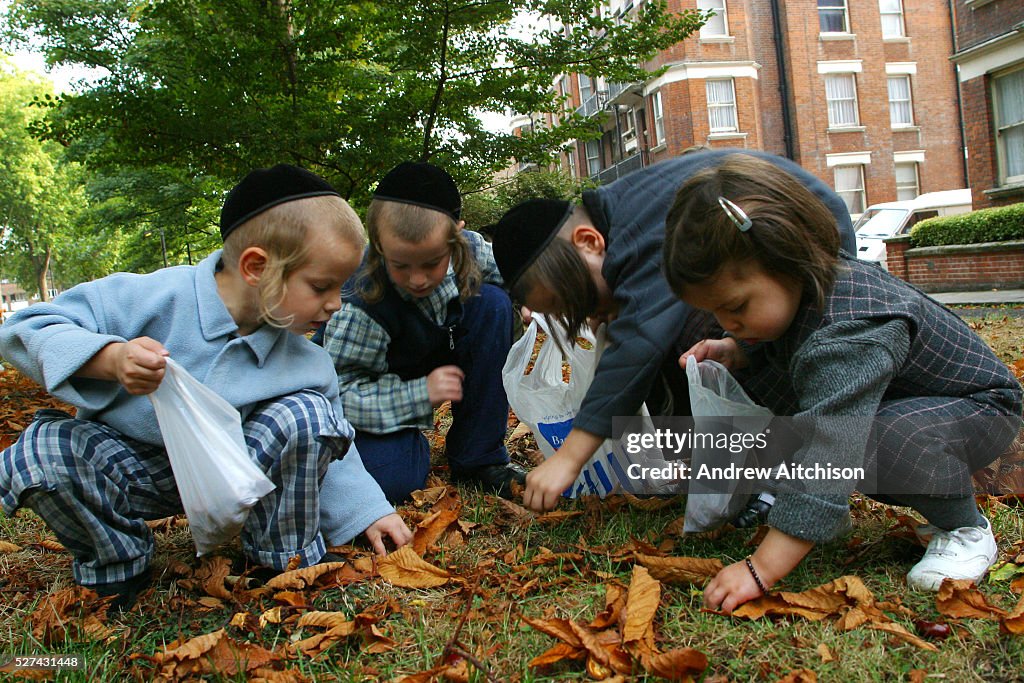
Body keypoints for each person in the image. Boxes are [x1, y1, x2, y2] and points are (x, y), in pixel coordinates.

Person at [0, 164, 411, 610]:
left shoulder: (307, 359)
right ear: (256, 266)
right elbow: (26, 327)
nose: (335, 304)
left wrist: (368, 509)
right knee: (44, 450)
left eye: (340, 287)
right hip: (134, 468)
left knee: (308, 415)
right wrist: (110, 359)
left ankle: (282, 555)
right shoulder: (151, 296)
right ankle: (115, 562)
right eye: (320, 286)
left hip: (241, 477)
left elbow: (335, 450)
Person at [661, 154, 1023, 611]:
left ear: (787, 258)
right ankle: (926, 493)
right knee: (860, 432)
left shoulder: (850, 327)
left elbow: (829, 447)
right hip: (917, 405)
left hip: (982, 408)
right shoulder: (809, 291)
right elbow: (792, 342)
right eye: (716, 312)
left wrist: (762, 568)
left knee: (872, 439)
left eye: (736, 306)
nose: (725, 322)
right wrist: (740, 347)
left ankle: (965, 528)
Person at [489, 148, 857, 513]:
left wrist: (569, 458)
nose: (582, 316)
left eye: (572, 300)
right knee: (676, 344)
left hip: (809, 269)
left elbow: (639, 342)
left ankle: (776, 475)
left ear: (589, 242)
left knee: (678, 339)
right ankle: (726, 471)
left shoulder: (639, 232)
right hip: (766, 282)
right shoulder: (624, 219)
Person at [319, 161, 525, 503]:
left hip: (437, 352)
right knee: (394, 480)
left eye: (431, 262)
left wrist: (533, 299)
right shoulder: (361, 303)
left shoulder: (469, 251)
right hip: (380, 389)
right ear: (379, 245)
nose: (417, 279)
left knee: (492, 302)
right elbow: (337, 396)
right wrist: (417, 396)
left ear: (456, 237)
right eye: (400, 265)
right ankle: (406, 439)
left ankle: (478, 458)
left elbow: (519, 273)